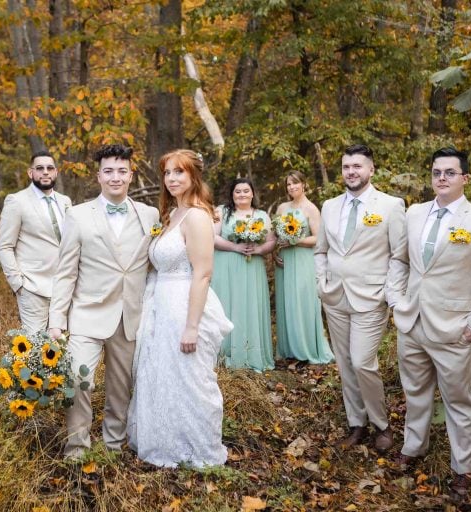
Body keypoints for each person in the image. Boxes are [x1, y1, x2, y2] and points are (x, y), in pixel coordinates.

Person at [392, 147, 471, 500]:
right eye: (435, 172)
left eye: (449, 172)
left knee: (458, 401)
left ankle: (462, 468)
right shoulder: (413, 214)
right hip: (412, 323)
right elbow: (399, 261)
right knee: (414, 393)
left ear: (465, 178)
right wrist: (396, 300)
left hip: (455, 328)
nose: (441, 178)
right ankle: (413, 448)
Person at [47, 144, 159, 459]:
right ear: (99, 176)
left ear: (131, 175)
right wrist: (57, 320)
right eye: (108, 171)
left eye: (122, 171)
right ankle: (77, 447)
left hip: (129, 315)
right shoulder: (78, 215)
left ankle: (113, 445)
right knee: (79, 379)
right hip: (86, 314)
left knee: (121, 388)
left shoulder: (149, 215)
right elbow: (65, 272)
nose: (115, 177)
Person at [127, 149, 232, 468]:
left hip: (185, 305)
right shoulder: (172, 214)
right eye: (167, 173)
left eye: (179, 172)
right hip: (160, 304)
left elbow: (203, 273)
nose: (171, 179)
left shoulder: (199, 216)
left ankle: (196, 449)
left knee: (189, 378)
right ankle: (164, 442)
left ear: (193, 176)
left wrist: (192, 326)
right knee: (162, 375)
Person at [314, 144, 408, 453]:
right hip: (335, 296)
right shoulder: (329, 206)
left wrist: (389, 291)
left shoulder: (391, 205)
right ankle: (357, 423)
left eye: (357, 166)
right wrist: (321, 282)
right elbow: (321, 250)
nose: (351, 172)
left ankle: (382, 423)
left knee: (363, 361)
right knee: (344, 362)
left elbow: (399, 256)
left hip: (371, 297)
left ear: (371, 170)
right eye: (346, 167)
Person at [0, 150, 72, 333]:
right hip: (32, 287)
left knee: (61, 346)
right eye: (40, 168)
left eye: (49, 168)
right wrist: (18, 284)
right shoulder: (17, 201)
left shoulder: (65, 202)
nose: (45, 172)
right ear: (31, 173)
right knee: (35, 349)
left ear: (56, 172)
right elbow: (4, 246)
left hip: (64, 287)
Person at [211, 178, 276, 372]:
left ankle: (251, 352)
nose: (241, 194)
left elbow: (271, 241)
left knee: (249, 305)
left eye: (245, 191)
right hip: (226, 265)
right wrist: (235, 247)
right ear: (232, 194)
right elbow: (212, 236)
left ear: (252, 193)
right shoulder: (222, 211)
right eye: (237, 191)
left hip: (252, 266)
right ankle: (224, 354)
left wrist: (259, 250)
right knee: (227, 305)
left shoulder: (262, 215)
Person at [273, 171, 334, 364]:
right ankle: (289, 349)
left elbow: (317, 238)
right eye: (288, 184)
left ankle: (306, 349)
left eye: (295, 183)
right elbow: (275, 236)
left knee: (303, 302)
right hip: (284, 260)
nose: (291, 187)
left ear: (304, 185)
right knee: (287, 302)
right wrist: (275, 252)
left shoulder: (311, 209)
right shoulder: (282, 208)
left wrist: (295, 241)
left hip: (302, 260)